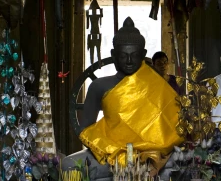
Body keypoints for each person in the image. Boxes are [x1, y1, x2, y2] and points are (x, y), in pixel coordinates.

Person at [77, 17, 182, 167]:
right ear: (113, 55)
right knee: (69, 164)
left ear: (143, 54)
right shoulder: (99, 86)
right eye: (123, 55)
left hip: (151, 153)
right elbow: (85, 130)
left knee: (180, 161)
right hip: (111, 152)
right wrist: (111, 152)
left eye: (134, 55)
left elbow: (173, 124)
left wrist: (152, 153)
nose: (129, 61)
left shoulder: (155, 83)